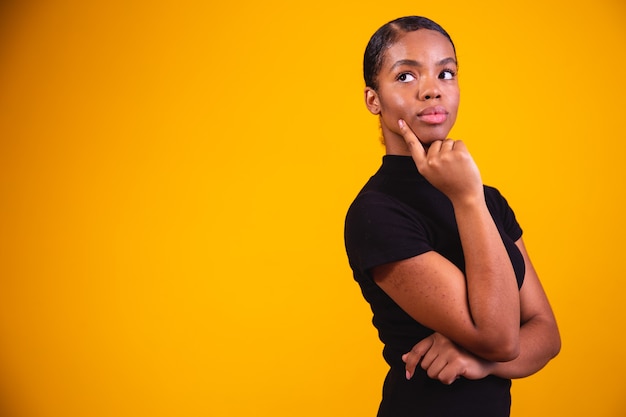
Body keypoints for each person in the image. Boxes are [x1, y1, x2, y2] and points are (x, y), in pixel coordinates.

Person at [344, 16, 561, 417]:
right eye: (406, 77)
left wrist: (480, 362)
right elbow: (500, 337)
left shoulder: (487, 198)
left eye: (446, 73)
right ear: (373, 99)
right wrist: (465, 199)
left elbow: (545, 333)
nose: (431, 90)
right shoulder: (377, 212)